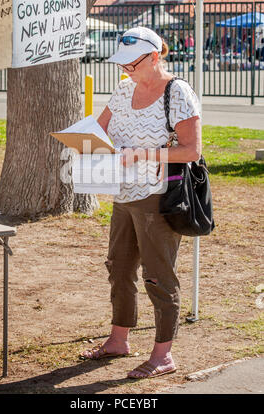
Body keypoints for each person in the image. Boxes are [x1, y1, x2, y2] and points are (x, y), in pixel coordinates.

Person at [80, 27, 201, 379]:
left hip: (159, 196)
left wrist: (143, 153)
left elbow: (192, 150)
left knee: (158, 275)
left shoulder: (177, 92)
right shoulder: (122, 89)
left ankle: (163, 355)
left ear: (154, 57)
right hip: (123, 193)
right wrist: (81, 140)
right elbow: (100, 129)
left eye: (131, 64)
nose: (126, 70)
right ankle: (119, 339)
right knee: (118, 268)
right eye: (122, 64)